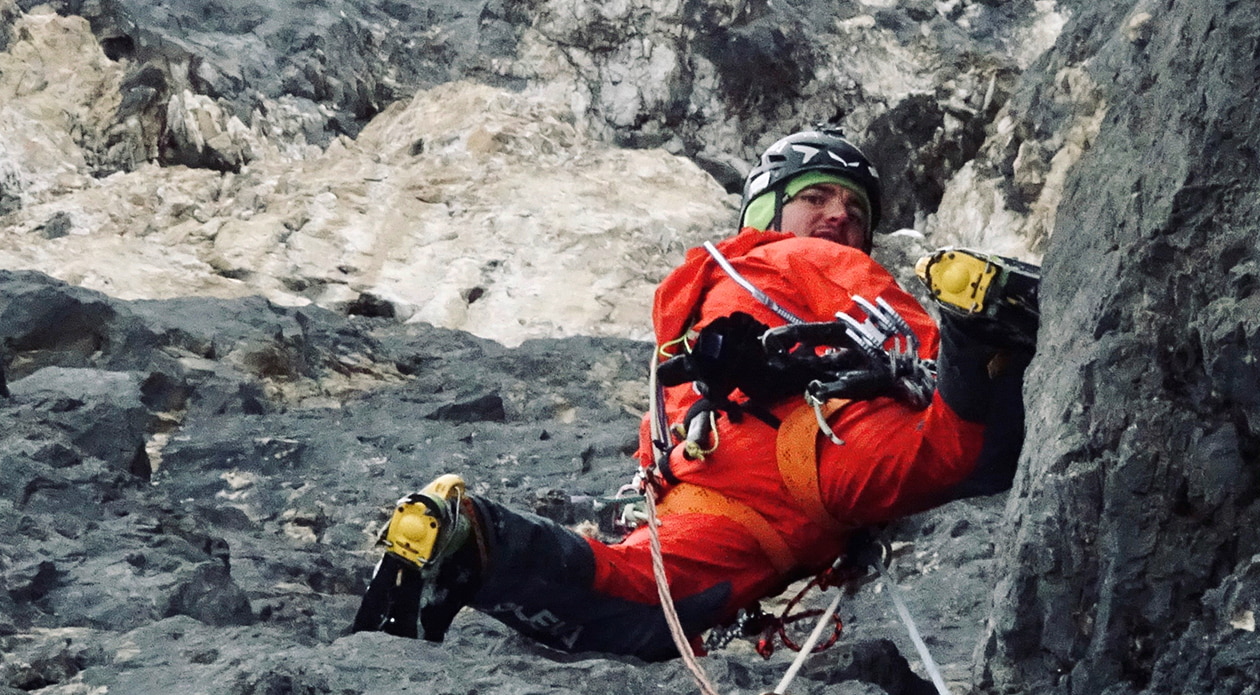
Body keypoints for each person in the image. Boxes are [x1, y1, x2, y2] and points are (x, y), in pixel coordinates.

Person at [352, 127, 1039, 660]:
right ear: (770, 210)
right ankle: (980, 326)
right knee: (965, 450)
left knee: (641, 598)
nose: (839, 216)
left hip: (714, 488)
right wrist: (948, 348)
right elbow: (903, 339)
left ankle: (472, 538)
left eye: (854, 209)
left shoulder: (694, 293)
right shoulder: (808, 258)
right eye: (817, 197)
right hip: (814, 441)